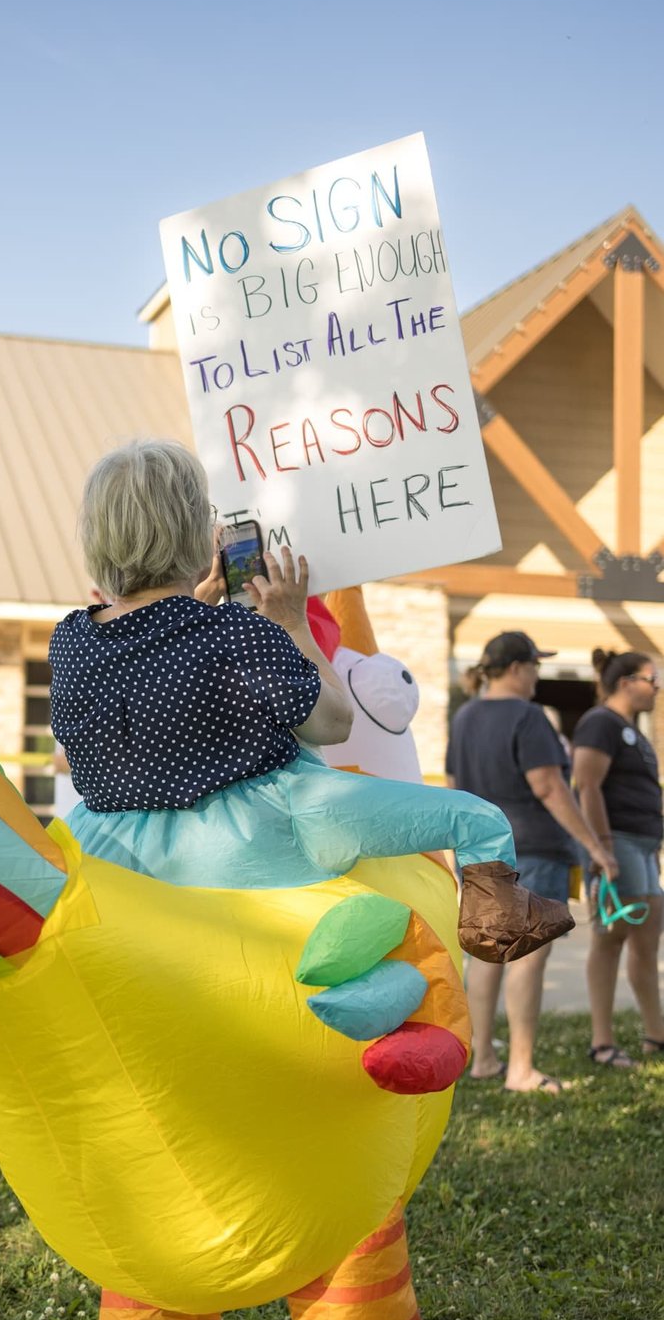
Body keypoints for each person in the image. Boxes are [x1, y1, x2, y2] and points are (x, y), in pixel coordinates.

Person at [50, 440, 572, 964]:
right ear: (191, 530)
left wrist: (193, 611)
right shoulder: (235, 631)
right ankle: (496, 923)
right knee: (477, 818)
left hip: (117, 853)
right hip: (257, 836)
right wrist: (294, 621)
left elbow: (146, 670)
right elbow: (334, 723)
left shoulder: (70, 641)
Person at [446, 632, 617, 1094]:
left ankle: (483, 1059)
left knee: (488, 955)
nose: (538, 674)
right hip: (534, 850)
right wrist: (596, 849)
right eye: (536, 666)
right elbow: (549, 788)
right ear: (519, 668)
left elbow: (454, 784)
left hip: (480, 850)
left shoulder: (464, 717)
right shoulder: (529, 717)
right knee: (528, 960)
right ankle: (521, 1071)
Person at [573, 649, 664, 1068]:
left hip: (644, 844)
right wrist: (602, 848)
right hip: (619, 842)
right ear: (627, 682)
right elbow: (587, 786)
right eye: (652, 679)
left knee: (647, 940)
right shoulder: (600, 722)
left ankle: (655, 1036)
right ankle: (602, 1043)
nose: (657, 688)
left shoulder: (632, 729)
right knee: (610, 940)